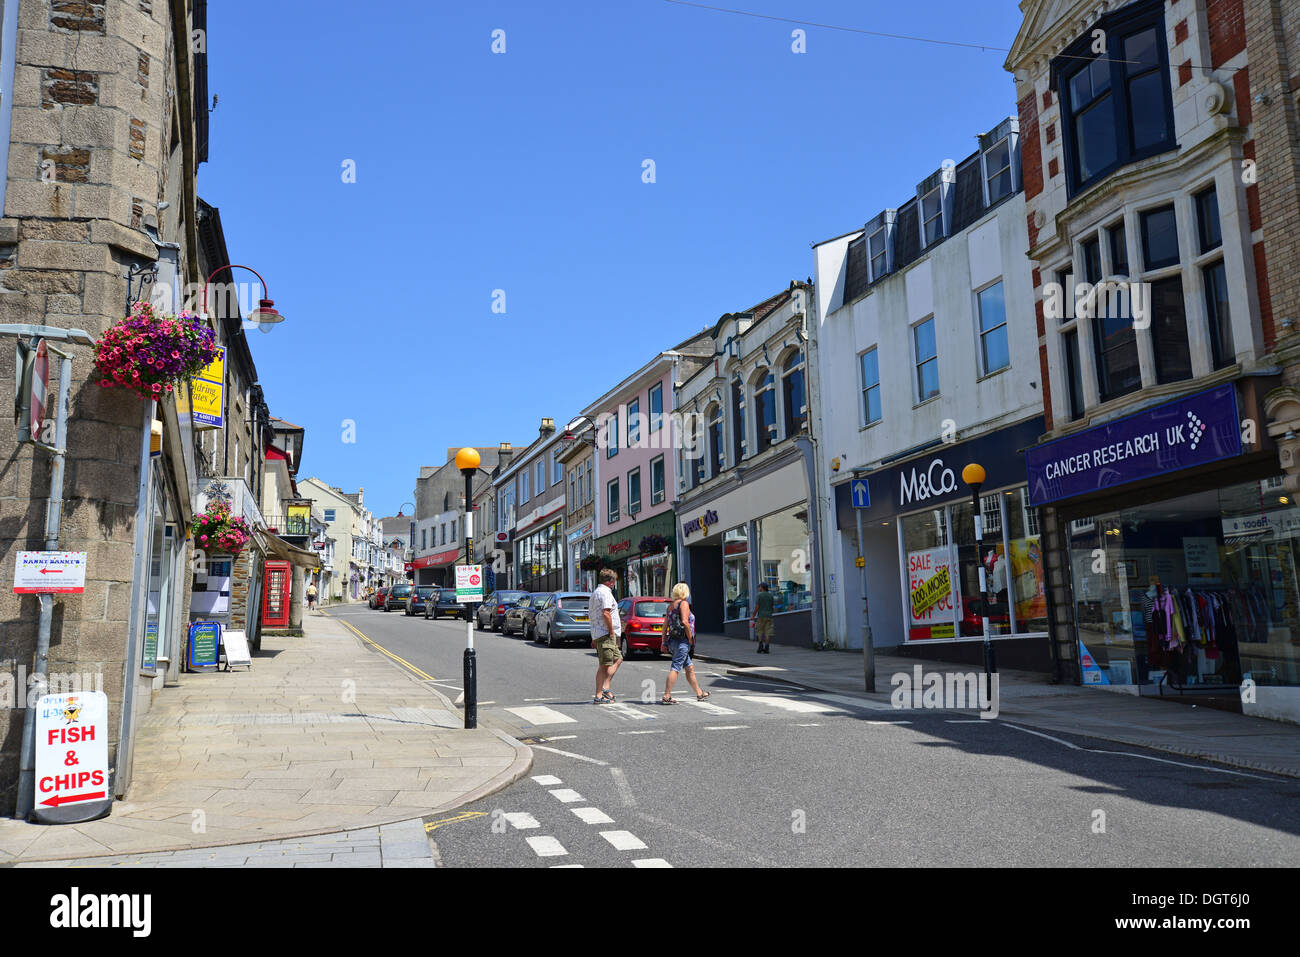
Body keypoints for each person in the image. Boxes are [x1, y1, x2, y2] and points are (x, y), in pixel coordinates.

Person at [660, 582, 709, 704]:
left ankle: (699, 693)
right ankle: (667, 696)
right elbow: (685, 622)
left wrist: (664, 642)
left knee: (690, 668)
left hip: (673, 641)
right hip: (682, 641)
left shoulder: (671, 606)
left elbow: (665, 625)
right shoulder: (684, 604)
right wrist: (690, 638)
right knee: (676, 667)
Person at [588, 569, 622, 704]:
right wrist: (611, 631)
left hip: (599, 632)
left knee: (617, 659)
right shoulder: (605, 593)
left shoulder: (596, 593)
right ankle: (599, 695)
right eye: (614, 581)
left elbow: (593, 615)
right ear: (611, 581)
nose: (614, 583)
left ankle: (605, 688)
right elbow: (606, 613)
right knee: (604, 665)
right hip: (605, 633)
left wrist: (594, 637)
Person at [751, 582, 775, 653]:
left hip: (761, 616)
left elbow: (757, 606)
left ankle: (760, 646)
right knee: (768, 632)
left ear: (762, 587)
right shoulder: (770, 595)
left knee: (759, 631)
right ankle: (767, 647)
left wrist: (753, 615)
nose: (759, 588)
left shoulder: (759, 595)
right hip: (769, 616)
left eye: (759, 587)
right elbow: (772, 606)